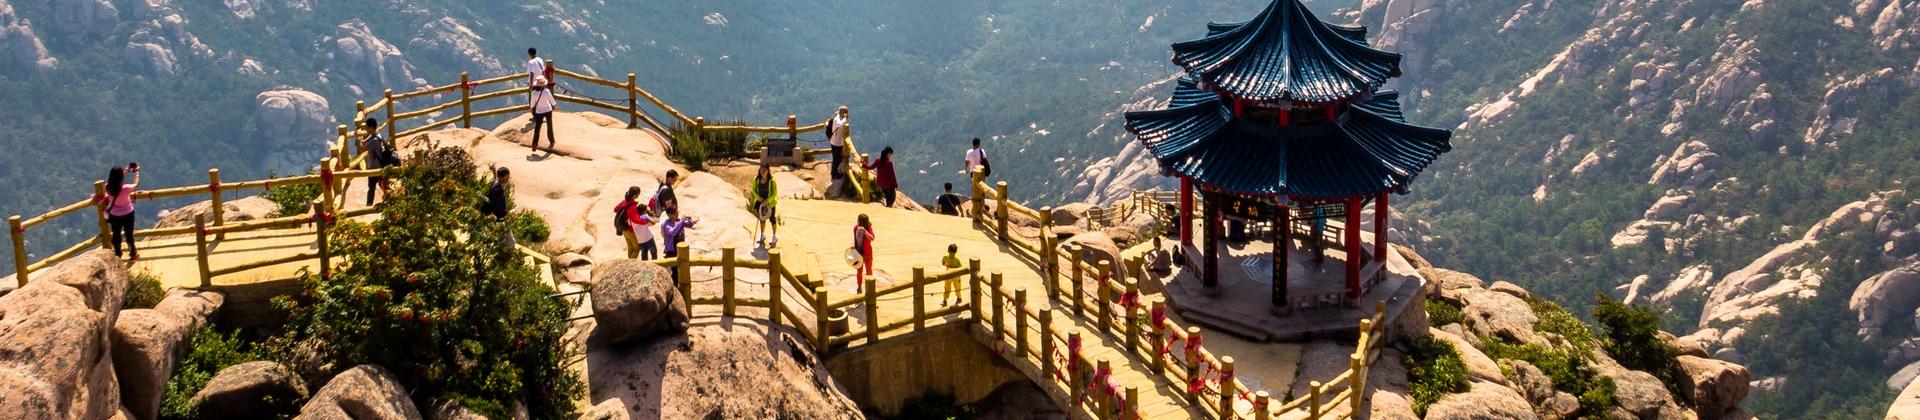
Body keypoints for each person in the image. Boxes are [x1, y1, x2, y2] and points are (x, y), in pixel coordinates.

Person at [93, 164, 140, 260]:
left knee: (116, 234)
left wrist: (125, 170)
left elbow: (116, 180)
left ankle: (118, 254)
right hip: (128, 214)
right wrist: (136, 173)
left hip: (115, 215)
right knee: (129, 234)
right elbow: (136, 184)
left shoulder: (108, 188)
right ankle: (133, 254)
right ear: (121, 177)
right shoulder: (126, 188)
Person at [360, 118, 395, 205]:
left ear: (371, 128)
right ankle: (389, 200)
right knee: (383, 184)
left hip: (374, 167)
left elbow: (362, 147)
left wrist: (359, 140)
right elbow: (369, 138)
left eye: (367, 128)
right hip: (381, 165)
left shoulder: (374, 141)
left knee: (371, 188)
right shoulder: (378, 135)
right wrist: (364, 140)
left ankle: (369, 205)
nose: (366, 130)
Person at [615, 186, 656, 260]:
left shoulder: (625, 202)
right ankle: (630, 264)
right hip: (630, 230)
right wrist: (647, 221)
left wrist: (626, 216)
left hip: (624, 229)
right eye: (638, 194)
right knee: (637, 248)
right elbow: (636, 220)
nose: (638, 195)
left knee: (630, 247)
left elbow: (615, 209)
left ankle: (629, 262)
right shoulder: (632, 206)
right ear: (635, 195)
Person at [661, 207, 699, 284]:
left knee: (681, 267)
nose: (677, 214)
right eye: (675, 213)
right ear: (669, 215)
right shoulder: (666, 224)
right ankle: (675, 286)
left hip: (680, 248)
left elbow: (689, 224)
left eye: (677, 212)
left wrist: (691, 221)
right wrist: (681, 222)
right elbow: (672, 232)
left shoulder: (678, 221)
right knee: (674, 270)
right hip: (672, 250)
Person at [750, 163, 779, 246]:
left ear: (768, 171)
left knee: (772, 219)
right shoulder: (756, 179)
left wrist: (767, 200)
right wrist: (759, 198)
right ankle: (762, 235)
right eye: (761, 170)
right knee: (762, 219)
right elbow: (754, 190)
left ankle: (774, 236)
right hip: (760, 201)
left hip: (770, 202)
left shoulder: (772, 180)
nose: (763, 172)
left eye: (765, 170)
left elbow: (774, 193)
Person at [528, 77, 558, 151]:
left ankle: (534, 144)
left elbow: (532, 104)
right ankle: (551, 141)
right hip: (548, 110)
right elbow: (552, 100)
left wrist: (531, 108)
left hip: (539, 112)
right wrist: (555, 106)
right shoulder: (546, 91)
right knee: (549, 126)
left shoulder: (534, 93)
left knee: (537, 128)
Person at [852, 213, 875, 293]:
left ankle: (870, 287)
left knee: (869, 270)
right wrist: (852, 245)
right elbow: (854, 238)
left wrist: (864, 231)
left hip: (867, 253)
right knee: (859, 272)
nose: (857, 221)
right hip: (858, 253)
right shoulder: (855, 228)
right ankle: (859, 287)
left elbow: (872, 238)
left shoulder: (869, 229)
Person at [827, 106, 849, 180]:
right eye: (845, 112)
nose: (846, 114)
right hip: (836, 143)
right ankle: (834, 175)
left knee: (837, 159)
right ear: (841, 112)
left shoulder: (838, 118)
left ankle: (834, 172)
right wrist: (845, 118)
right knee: (836, 159)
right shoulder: (837, 119)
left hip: (836, 142)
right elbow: (839, 125)